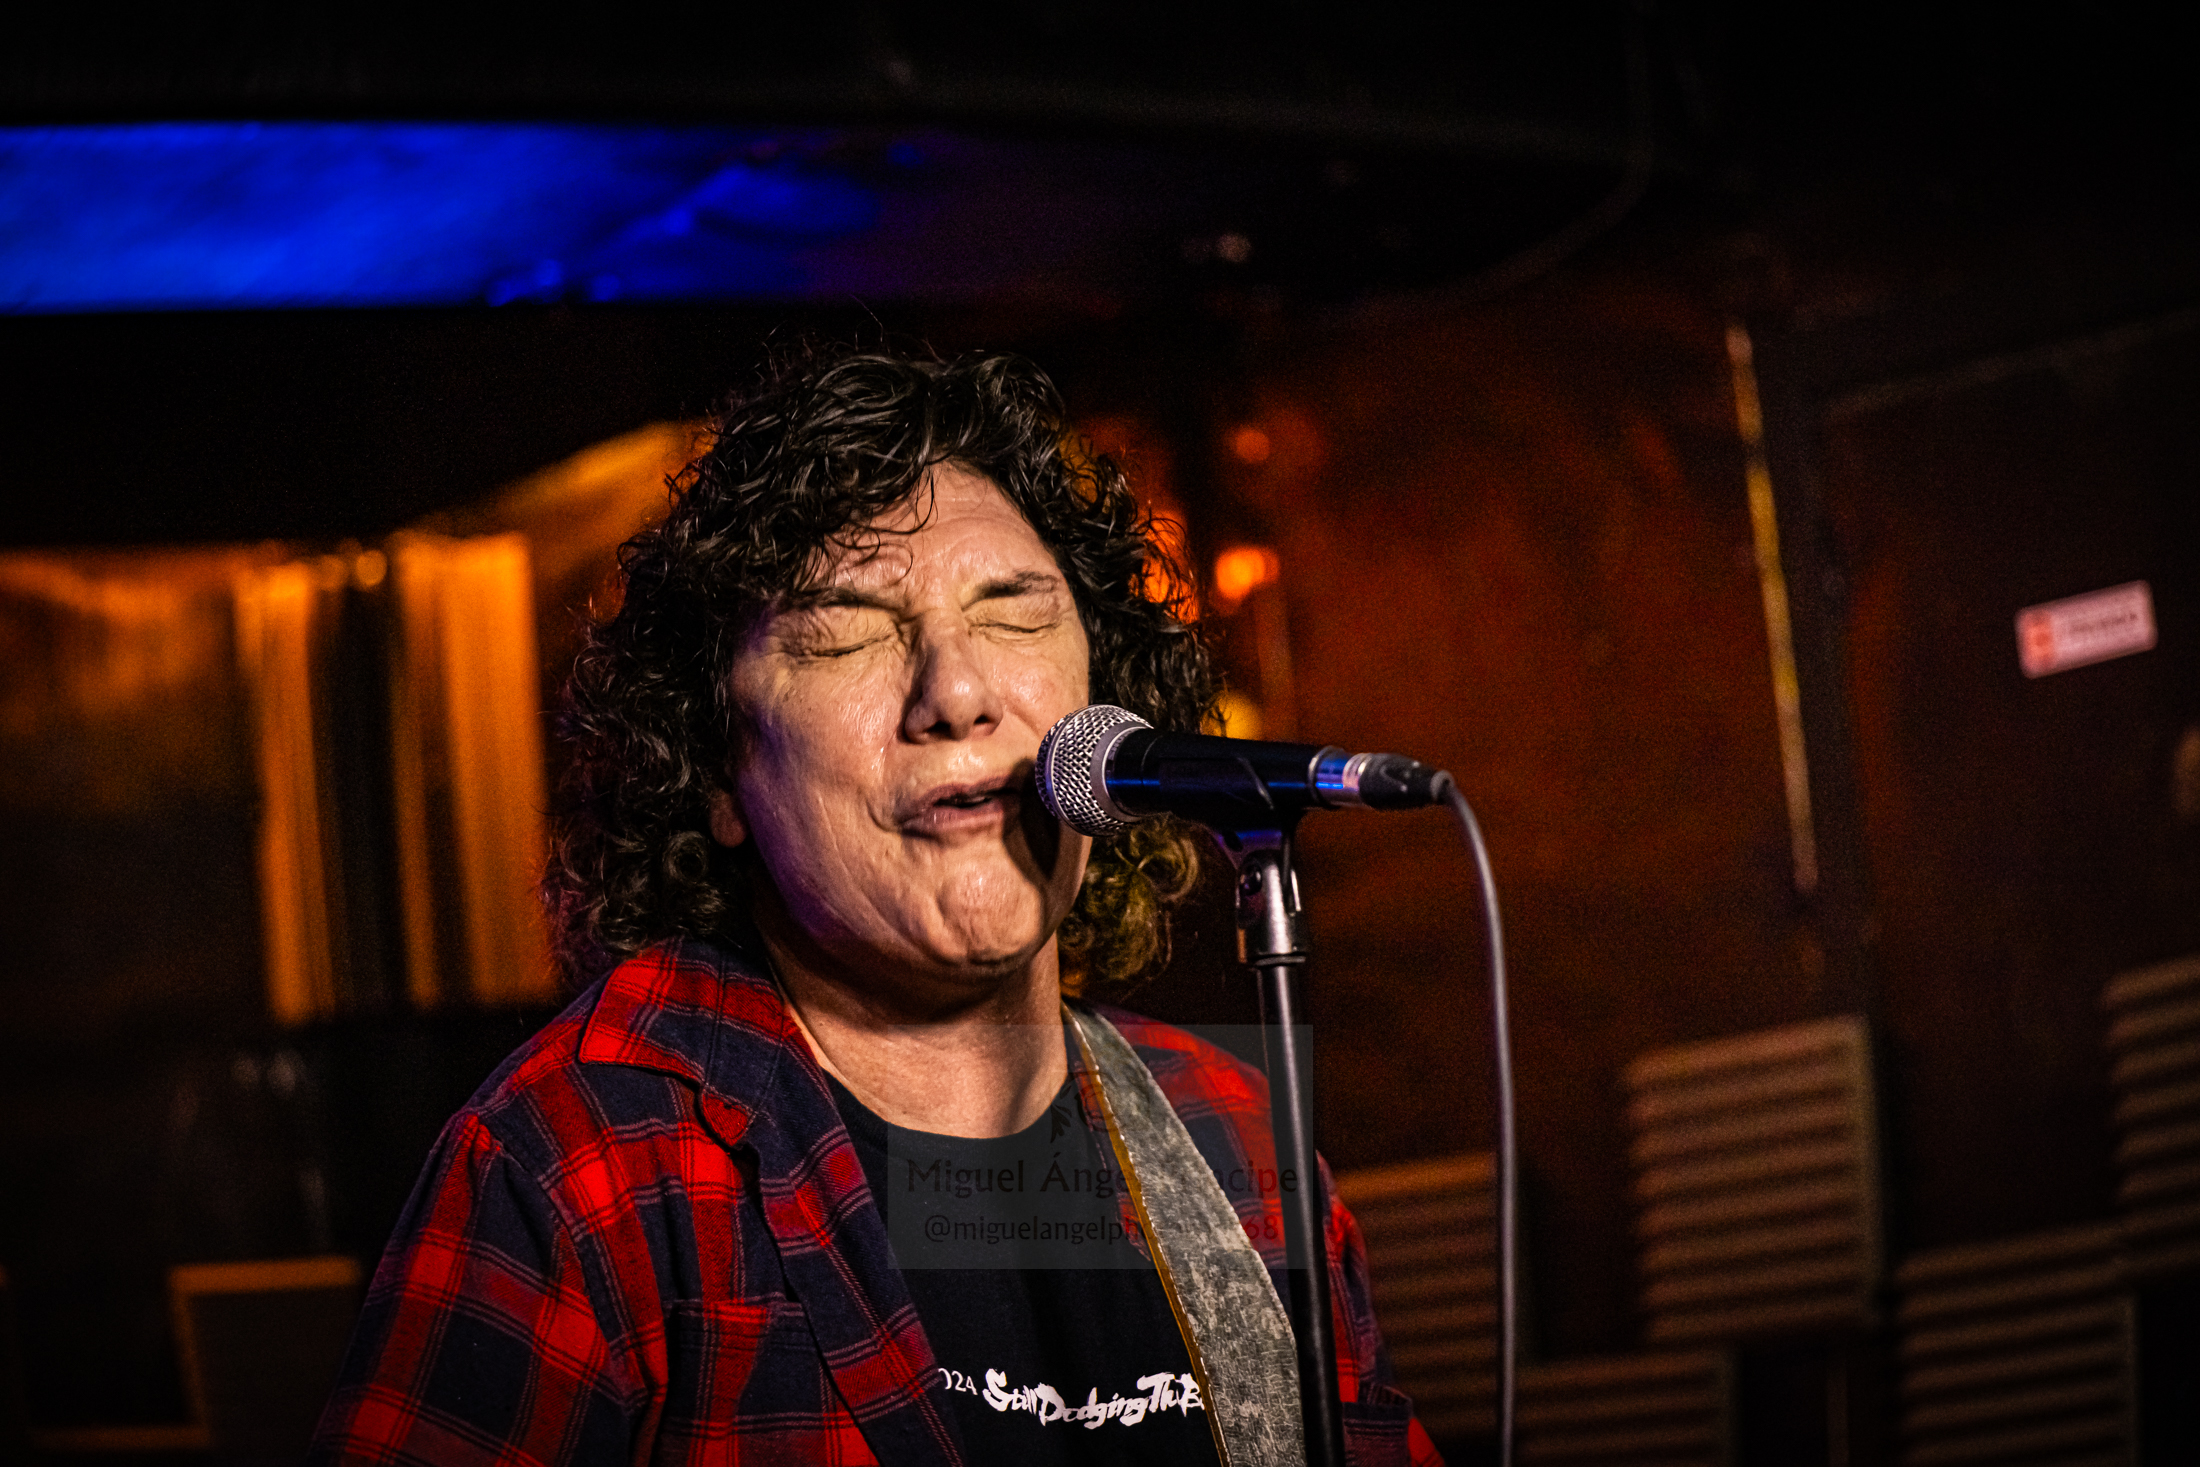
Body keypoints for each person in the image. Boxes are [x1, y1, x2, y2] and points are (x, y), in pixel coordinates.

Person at [310, 346, 1441, 1466]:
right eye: (845, 631)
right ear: (718, 775)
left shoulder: (1231, 1135)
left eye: (1013, 615)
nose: (956, 692)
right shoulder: (581, 1161)